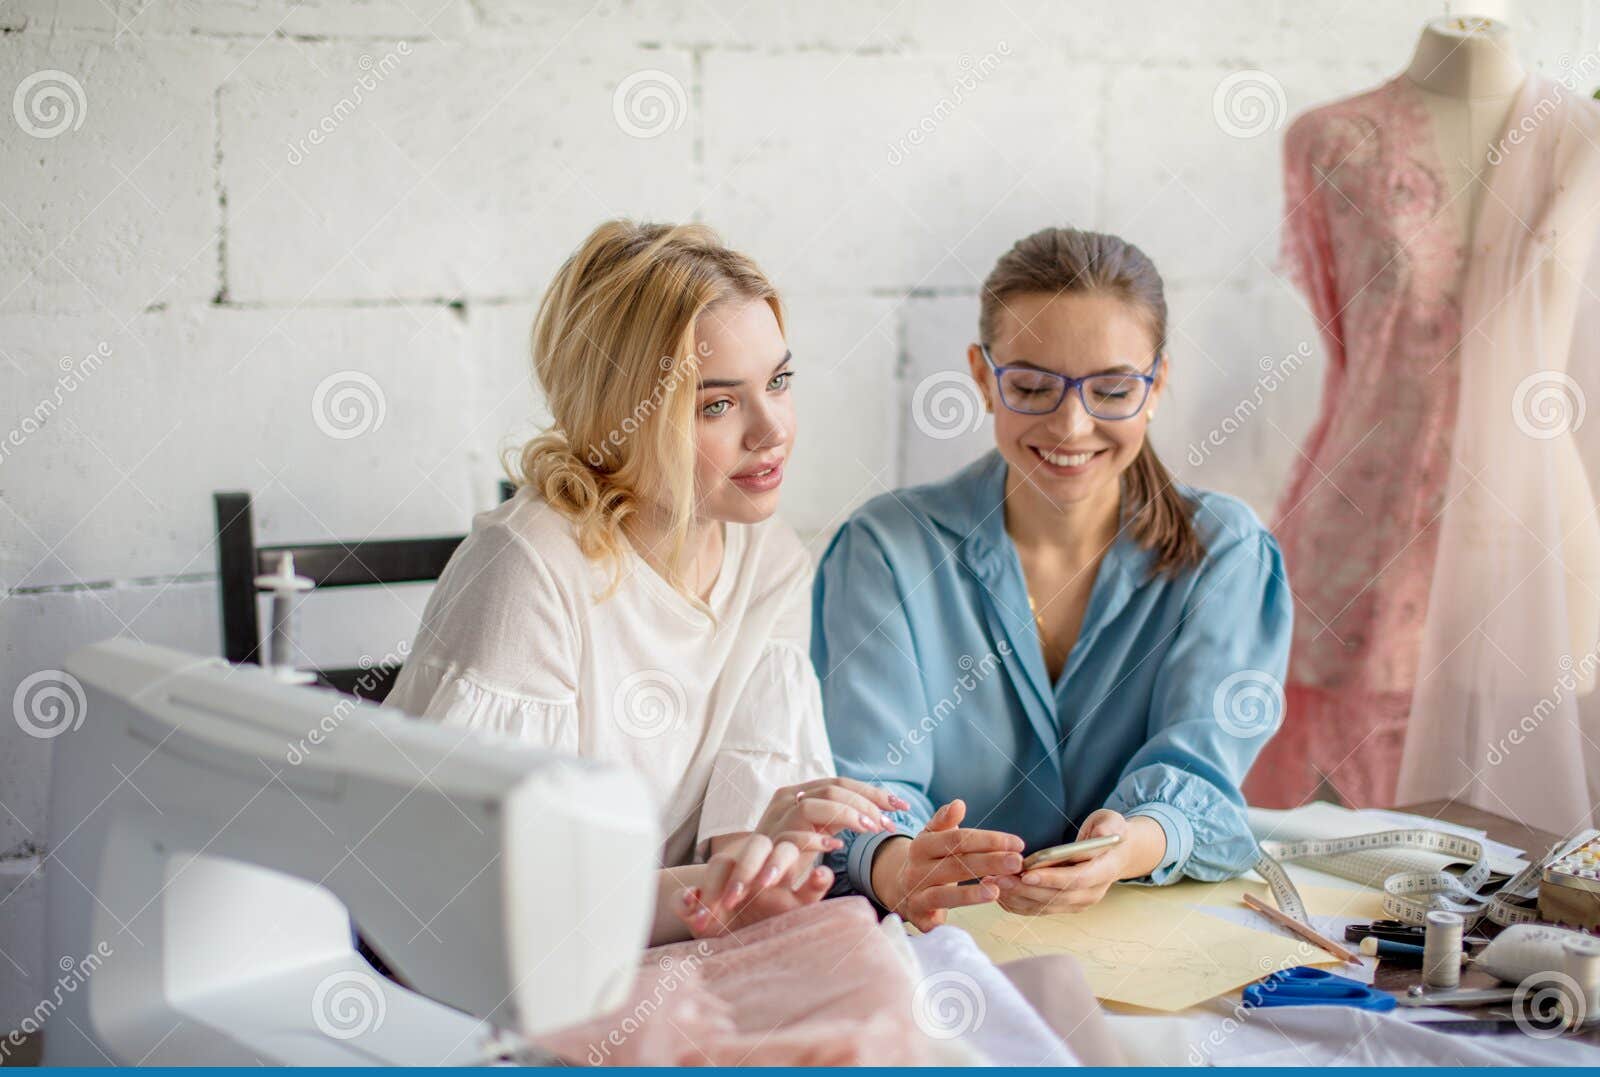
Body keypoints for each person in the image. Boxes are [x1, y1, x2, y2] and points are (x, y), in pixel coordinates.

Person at [386, 220, 902, 944]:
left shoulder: (771, 557)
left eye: (778, 383)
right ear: (620, 417)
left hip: (668, 946)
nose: (771, 430)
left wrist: (770, 859)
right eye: (717, 404)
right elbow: (477, 901)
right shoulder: (529, 566)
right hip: (500, 973)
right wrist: (717, 892)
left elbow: (738, 871)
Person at [813, 226, 1293, 932]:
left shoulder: (1228, 552)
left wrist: (1128, 847)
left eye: (1112, 388)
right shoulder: (884, 551)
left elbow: (1203, 786)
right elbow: (864, 798)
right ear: (982, 377)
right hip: (939, 939)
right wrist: (910, 866)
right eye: (1033, 386)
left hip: (1149, 936)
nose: (1072, 425)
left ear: (1156, 384)